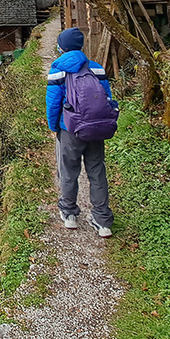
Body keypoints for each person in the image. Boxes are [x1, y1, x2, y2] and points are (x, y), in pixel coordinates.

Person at [46, 27, 115, 238]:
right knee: (96, 171)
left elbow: (53, 103)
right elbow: (107, 98)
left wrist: (53, 126)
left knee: (68, 171)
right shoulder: (96, 68)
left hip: (70, 129)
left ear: (62, 47)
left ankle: (69, 215)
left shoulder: (58, 70)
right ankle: (102, 221)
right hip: (95, 129)